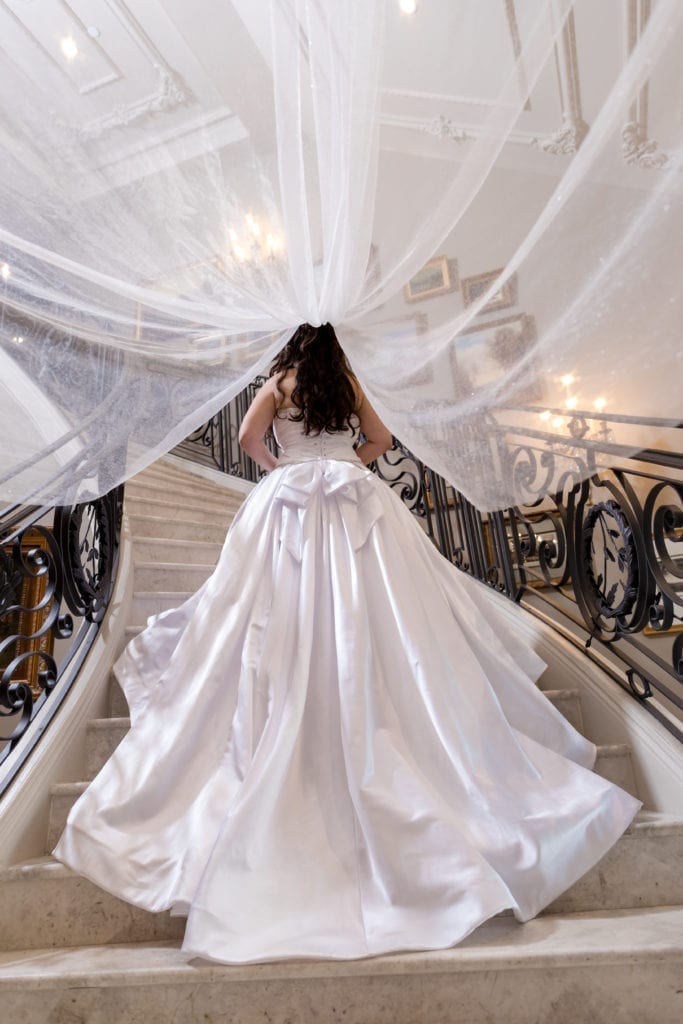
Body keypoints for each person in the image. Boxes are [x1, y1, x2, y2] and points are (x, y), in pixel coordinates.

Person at [52, 322, 642, 965]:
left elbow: (248, 439)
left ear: (295, 345)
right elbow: (382, 441)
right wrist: (342, 465)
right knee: (385, 614)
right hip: (357, 499)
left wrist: (285, 472)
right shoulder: (351, 383)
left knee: (267, 613)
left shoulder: (280, 381)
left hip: (289, 502)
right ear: (336, 347)